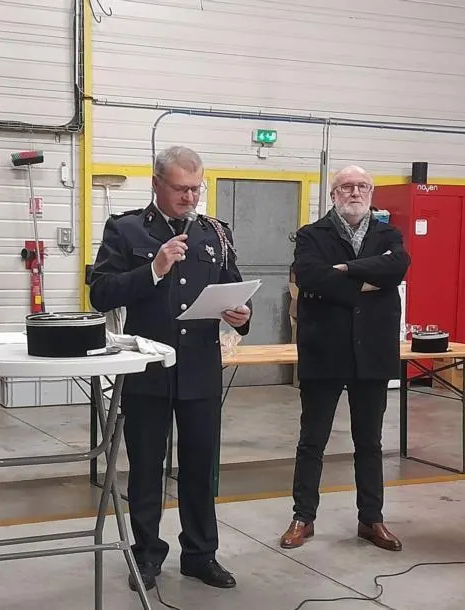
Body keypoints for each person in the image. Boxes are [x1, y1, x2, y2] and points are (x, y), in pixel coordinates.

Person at [88, 145, 250, 592]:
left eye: (196, 188)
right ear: (156, 184)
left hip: (200, 368)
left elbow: (234, 287)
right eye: (180, 189)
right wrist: (154, 269)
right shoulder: (126, 230)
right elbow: (101, 293)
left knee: (200, 467)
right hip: (148, 370)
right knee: (146, 469)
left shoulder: (215, 233)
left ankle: (200, 555)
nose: (190, 197)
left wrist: (241, 314)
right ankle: (146, 556)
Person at [281, 165, 409, 553]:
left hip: (372, 352)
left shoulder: (388, 235)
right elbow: (309, 276)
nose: (355, 192)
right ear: (334, 194)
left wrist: (345, 270)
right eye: (347, 187)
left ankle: (371, 519)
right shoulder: (311, 235)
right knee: (312, 440)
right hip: (324, 351)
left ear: (371, 192)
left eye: (362, 186)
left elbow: (397, 267)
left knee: (369, 441)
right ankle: (303, 516)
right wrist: (367, 283)